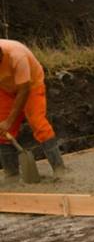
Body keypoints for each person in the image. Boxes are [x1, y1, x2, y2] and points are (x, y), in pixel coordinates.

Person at [0, 39, 66, 179]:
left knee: (37, 122)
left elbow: (24, 91)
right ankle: (11, 173)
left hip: (31, 86)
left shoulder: (17, 56)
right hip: (4, 88)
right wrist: (5, 123)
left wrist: (10, 120)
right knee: (2, 130)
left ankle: (59, 168)